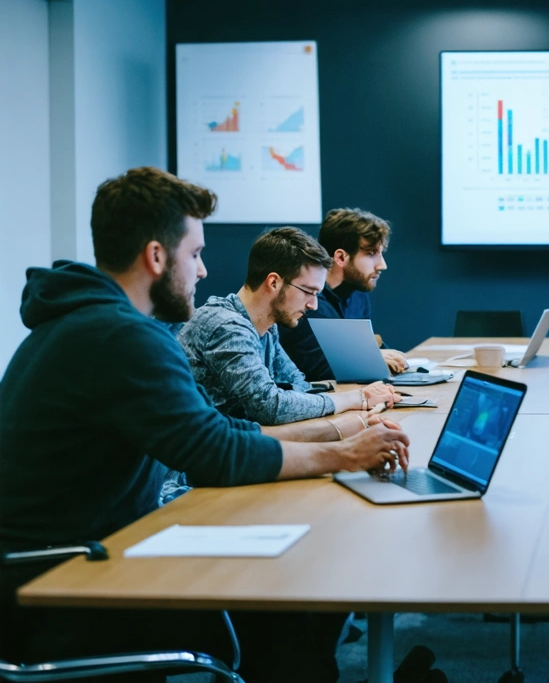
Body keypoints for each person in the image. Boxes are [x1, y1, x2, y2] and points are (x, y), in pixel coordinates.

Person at [0, 167, 410, 683]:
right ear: (155, 256)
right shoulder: (120, 338)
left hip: (76, 561)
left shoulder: (84, 325)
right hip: (63, 591)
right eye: (194, 254)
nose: (202, 271)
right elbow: (216, 452)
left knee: (297, 595)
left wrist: (338, 434)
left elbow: (218, 430)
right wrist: (344, 455)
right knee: (286, 614)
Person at [178, 226, 402, 425]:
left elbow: (298, 384)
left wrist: (362, 396)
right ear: (274, 282)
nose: (314, 305)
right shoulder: (226, 326)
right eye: (308, 291)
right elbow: (269, 406)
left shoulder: (266, 325)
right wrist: (358, 398)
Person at [279, 207, 409, 381]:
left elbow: (367, 348)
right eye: (371, 254)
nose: (382, 265)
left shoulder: (358, 295)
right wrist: (371, 359)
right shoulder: (308, 302)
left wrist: (376, 355)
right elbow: (318, 371)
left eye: (380, 253)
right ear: (340, 257)